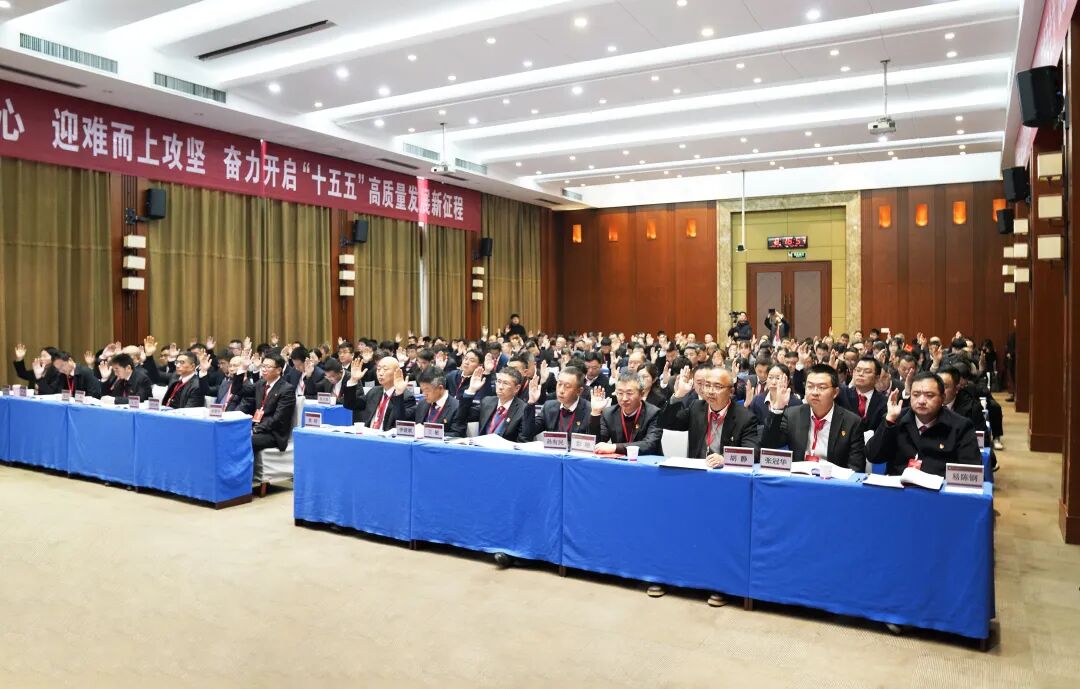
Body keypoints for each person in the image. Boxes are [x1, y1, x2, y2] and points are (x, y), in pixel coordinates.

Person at [866, 372, 981, 476]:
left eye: (929, 395)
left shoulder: (960, 426)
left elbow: (971, 473)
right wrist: (889, 421)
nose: (921, 401)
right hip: (899, 488)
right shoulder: (896, 419)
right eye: (916, 395)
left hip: (938, 490)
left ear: (942, 398)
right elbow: (873, 456)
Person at [760, 363, 865, 471]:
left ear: (835, 392)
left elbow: (856, 468)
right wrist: (777, 408)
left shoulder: (851, 422)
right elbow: (769, 443)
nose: (815, 392)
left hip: (833, 479)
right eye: (810, 386)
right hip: (799, 477)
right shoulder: (793, 415)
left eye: (822, 387)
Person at [659, 364, 759, 462]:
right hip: (697, 468)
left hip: (724, 470)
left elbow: (752, 453)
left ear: (731, 391)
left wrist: (725, 459)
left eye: (717, 387)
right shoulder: (696, 407)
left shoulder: (745, 417)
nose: (710, 391)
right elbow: (665, 422)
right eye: (707, 385)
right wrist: (679, 394)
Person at [588, 371, 663, 456]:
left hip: (647, 461)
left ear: (641, 394)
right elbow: (597, 443)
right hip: (619, 461)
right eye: (620, 393)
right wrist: (595, 413)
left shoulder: (654, 413)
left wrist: (614, 447)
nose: (624, 398)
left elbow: (650, 444)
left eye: (629, 393)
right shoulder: (609, 413)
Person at [457, 365, 532, 442]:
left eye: (505, 383)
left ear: (517, 388)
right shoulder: (487, 402)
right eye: (498, 381)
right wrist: (471, 390)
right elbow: (462, 416)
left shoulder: (523, 410)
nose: (500, 387)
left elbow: (523, 441)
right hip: (482, 446)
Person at [342, 356, 416, 429]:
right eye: (378, 369)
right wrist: (353, 380)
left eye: (385, 369)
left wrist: (398, 394)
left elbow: (401, 421)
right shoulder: (374, 391)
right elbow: (350, 404)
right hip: (369, 433)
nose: (380, 373)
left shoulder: (406, 397)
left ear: (397, 372)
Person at [525, 366, 591, 440]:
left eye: (567, 386)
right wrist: (531, 403)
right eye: (559, 384)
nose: (561, 390)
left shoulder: (589, 411)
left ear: (579, 391)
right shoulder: (549, 407)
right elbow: (528, 433)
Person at [141, 337, 206, 408]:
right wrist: (149, 356)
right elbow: (155, 376)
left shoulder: (197, 386)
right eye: (177, 362)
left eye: (182, 362)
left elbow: (189, 411)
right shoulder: (175, 376)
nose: (177, 365)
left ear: (192, 366)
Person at [251, 353, 297, 453]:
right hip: (258, 427)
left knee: (247, 440)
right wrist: (242, 369)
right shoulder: (261, 384)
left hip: (273, 433)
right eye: (263, 366)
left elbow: (278, 419)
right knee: (236, 435)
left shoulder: (287, 389)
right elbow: (240, 390)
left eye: (268, 367)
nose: (264, 369)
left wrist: (256, 429)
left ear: (278, 370)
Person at [837, 357, 887, 436]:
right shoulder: (842, 394)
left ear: (877, 377)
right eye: (858, 370)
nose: (861, 374)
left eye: (867, 371)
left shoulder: (884, 402)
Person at [413, 366, 466, 438]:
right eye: (422, 390)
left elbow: (457, 435)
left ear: (440, 388)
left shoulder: (457, 407)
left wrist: (428, 433)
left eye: (427, 390)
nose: (424, 394)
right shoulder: (422, 404)